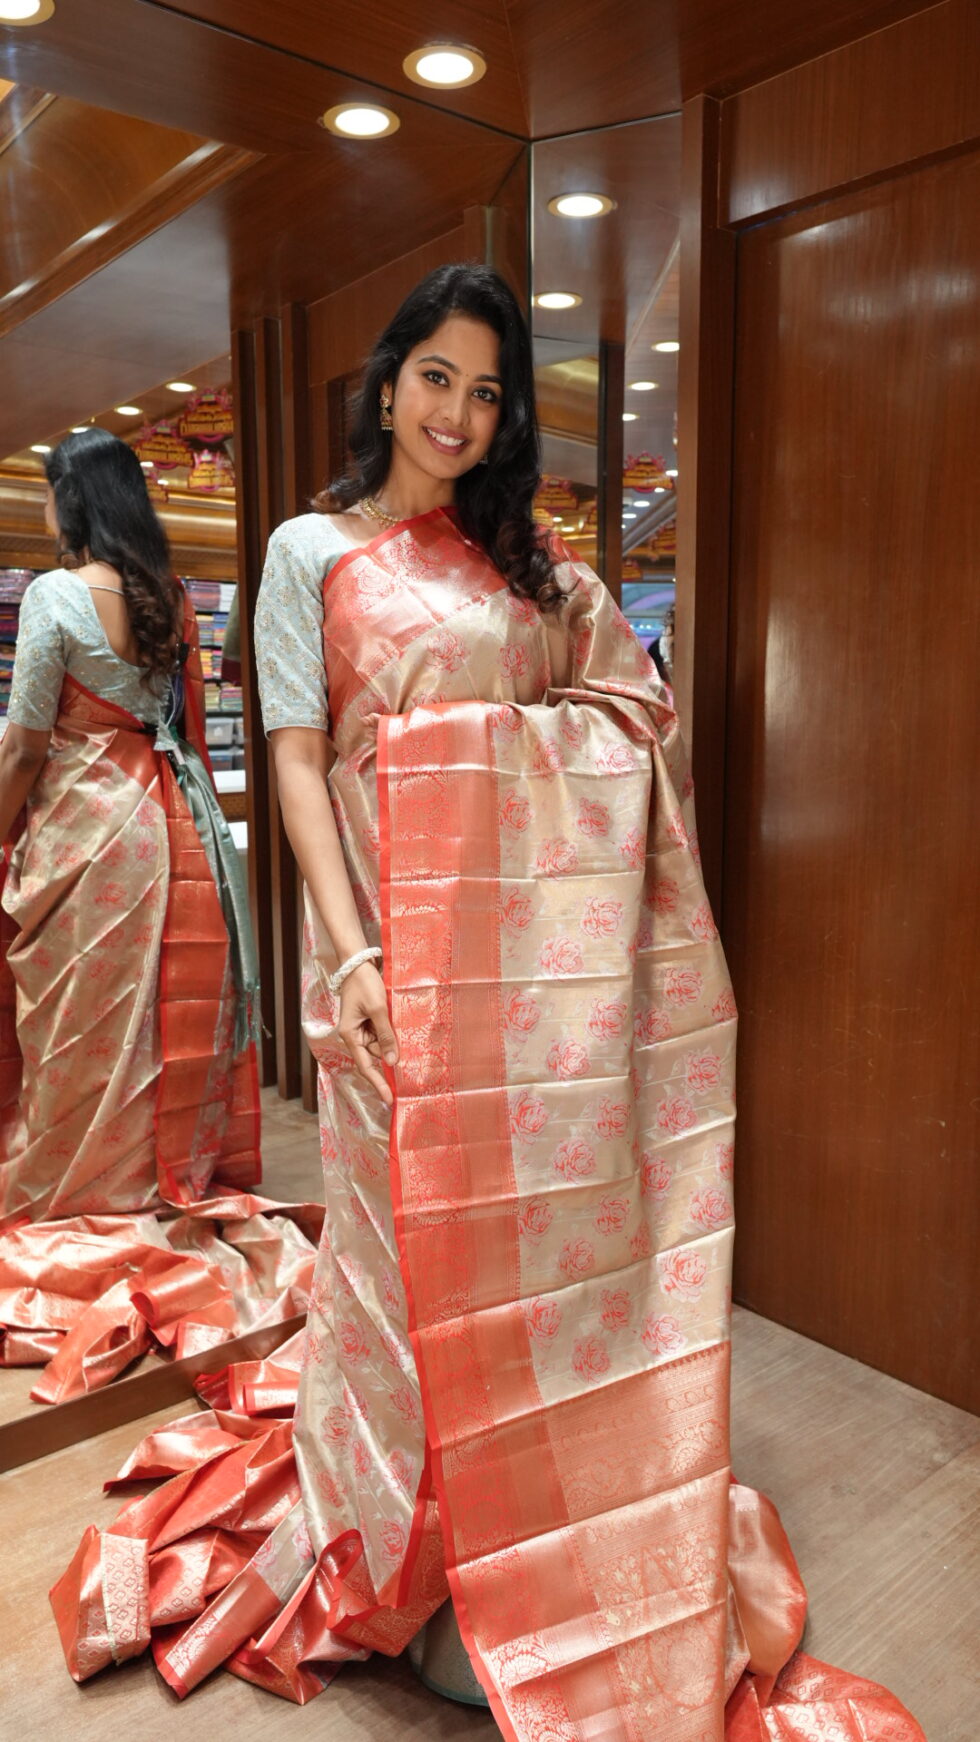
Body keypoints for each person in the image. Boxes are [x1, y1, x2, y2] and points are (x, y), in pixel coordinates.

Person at [52, 271, 925, 1740]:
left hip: (534, 997)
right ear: (389, 380)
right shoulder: (309, 552)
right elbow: (298, 757)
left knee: (533, 1269)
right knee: (403, 1268)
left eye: (487, 391)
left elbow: (633, 718)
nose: (457, 414)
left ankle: (525, 1547)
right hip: (389, 973)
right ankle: (411, 1547)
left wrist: (488, 744)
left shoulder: (533, 566)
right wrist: (348, 955)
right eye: (436, 378)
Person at [0, 429, 314, 1401]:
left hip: (88, 832)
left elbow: (24, 744)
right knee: (151, 1028)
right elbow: (177, 721)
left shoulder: (55, 596)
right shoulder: (168, 598)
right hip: (171, 825)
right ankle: (156, 1187)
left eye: (49, 493)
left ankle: (79, 1203)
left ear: (71, 500)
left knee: (81, 1031)